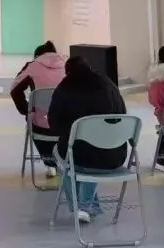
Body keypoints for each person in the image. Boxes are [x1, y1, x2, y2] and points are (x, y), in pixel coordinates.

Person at [48, 56, 128, 224]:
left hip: (80, 157)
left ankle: (81, 207)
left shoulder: (65, 87)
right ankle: (89, 205)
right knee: (90, 152)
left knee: (64, 156)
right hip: (115, 155)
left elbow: (54, 124)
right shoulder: (108, 84)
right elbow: (122, 113)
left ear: (67, 72)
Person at [11, 41, 67, 177]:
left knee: (36, 121)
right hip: (67, 124)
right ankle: (64, 160)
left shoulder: (32, 66)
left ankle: (49, 163)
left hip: (41, 124)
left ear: (37, 55)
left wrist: (27, 110)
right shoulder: (68, 64)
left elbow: (14, 90)